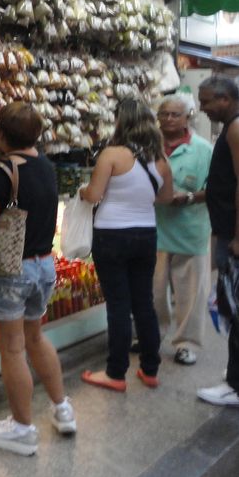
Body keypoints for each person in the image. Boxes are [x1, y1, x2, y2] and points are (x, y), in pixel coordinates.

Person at [0, 102, 75, 457]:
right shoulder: (44, 165)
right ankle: (62, 409)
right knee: (34, 337)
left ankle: (22, 426)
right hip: (43, 265)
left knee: (12, 349)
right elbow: (16, 186)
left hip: (11, 270)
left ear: (0, 134)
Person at [80, 98, 173, 392]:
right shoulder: (161, 159)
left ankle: (115, 373)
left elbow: (94, 195)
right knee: (144, 302)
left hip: (112, 235)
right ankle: (150, 369)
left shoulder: (112, 154)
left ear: (122, 122)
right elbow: (166, 198)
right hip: (146, 234)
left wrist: (83, 191)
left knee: (119, 305)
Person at [153, 94, 212, 366]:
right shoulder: (150, 146)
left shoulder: (203, 149)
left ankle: (187, 344)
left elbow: (215, 188)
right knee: (152, 290)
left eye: (174, 114)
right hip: (155, 229)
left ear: (188, 117)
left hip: (190, 230)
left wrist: (188, 197)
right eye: (163, 113)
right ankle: (153, 335)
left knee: (190, 292)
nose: (167, 119)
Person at [196, 75, 239, 406]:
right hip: (226, 231)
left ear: (225, 100)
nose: (202, 108)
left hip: (233, 235)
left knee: (235, 308)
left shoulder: (236, 130)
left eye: (207, 101)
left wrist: (238, 237)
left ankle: (236, 386)